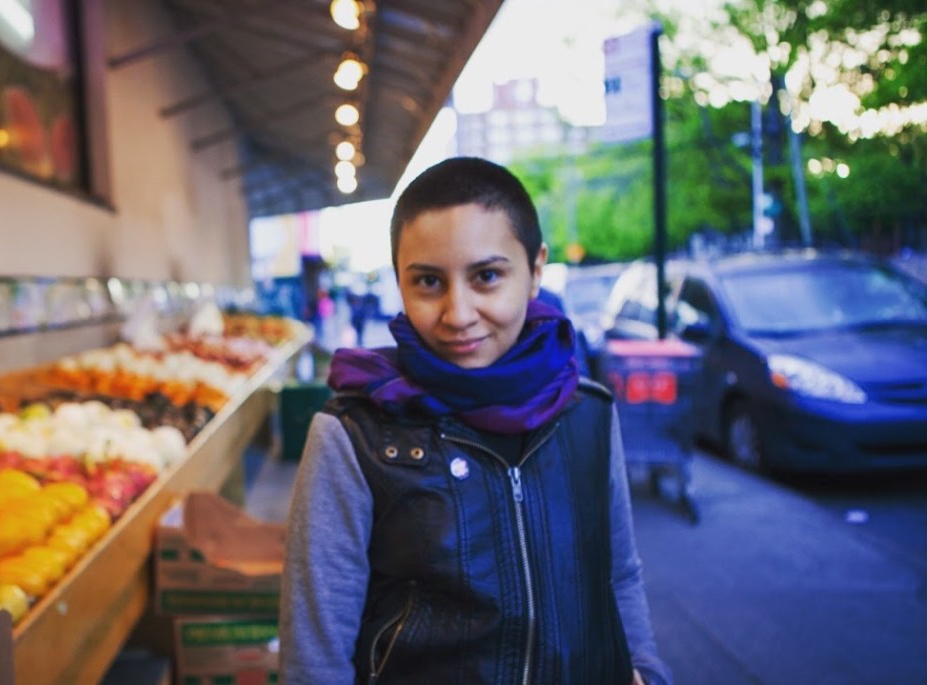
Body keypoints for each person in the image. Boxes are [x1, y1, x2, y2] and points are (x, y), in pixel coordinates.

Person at [279, 157, 671, 684]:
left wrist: (646, 671)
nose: (458, 313)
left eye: (486, 277)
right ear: (400, 282)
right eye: (428, 282)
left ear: (535, 271)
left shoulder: (589, 412)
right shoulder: (353, 435)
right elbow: (315, 653)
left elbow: (617, 574)